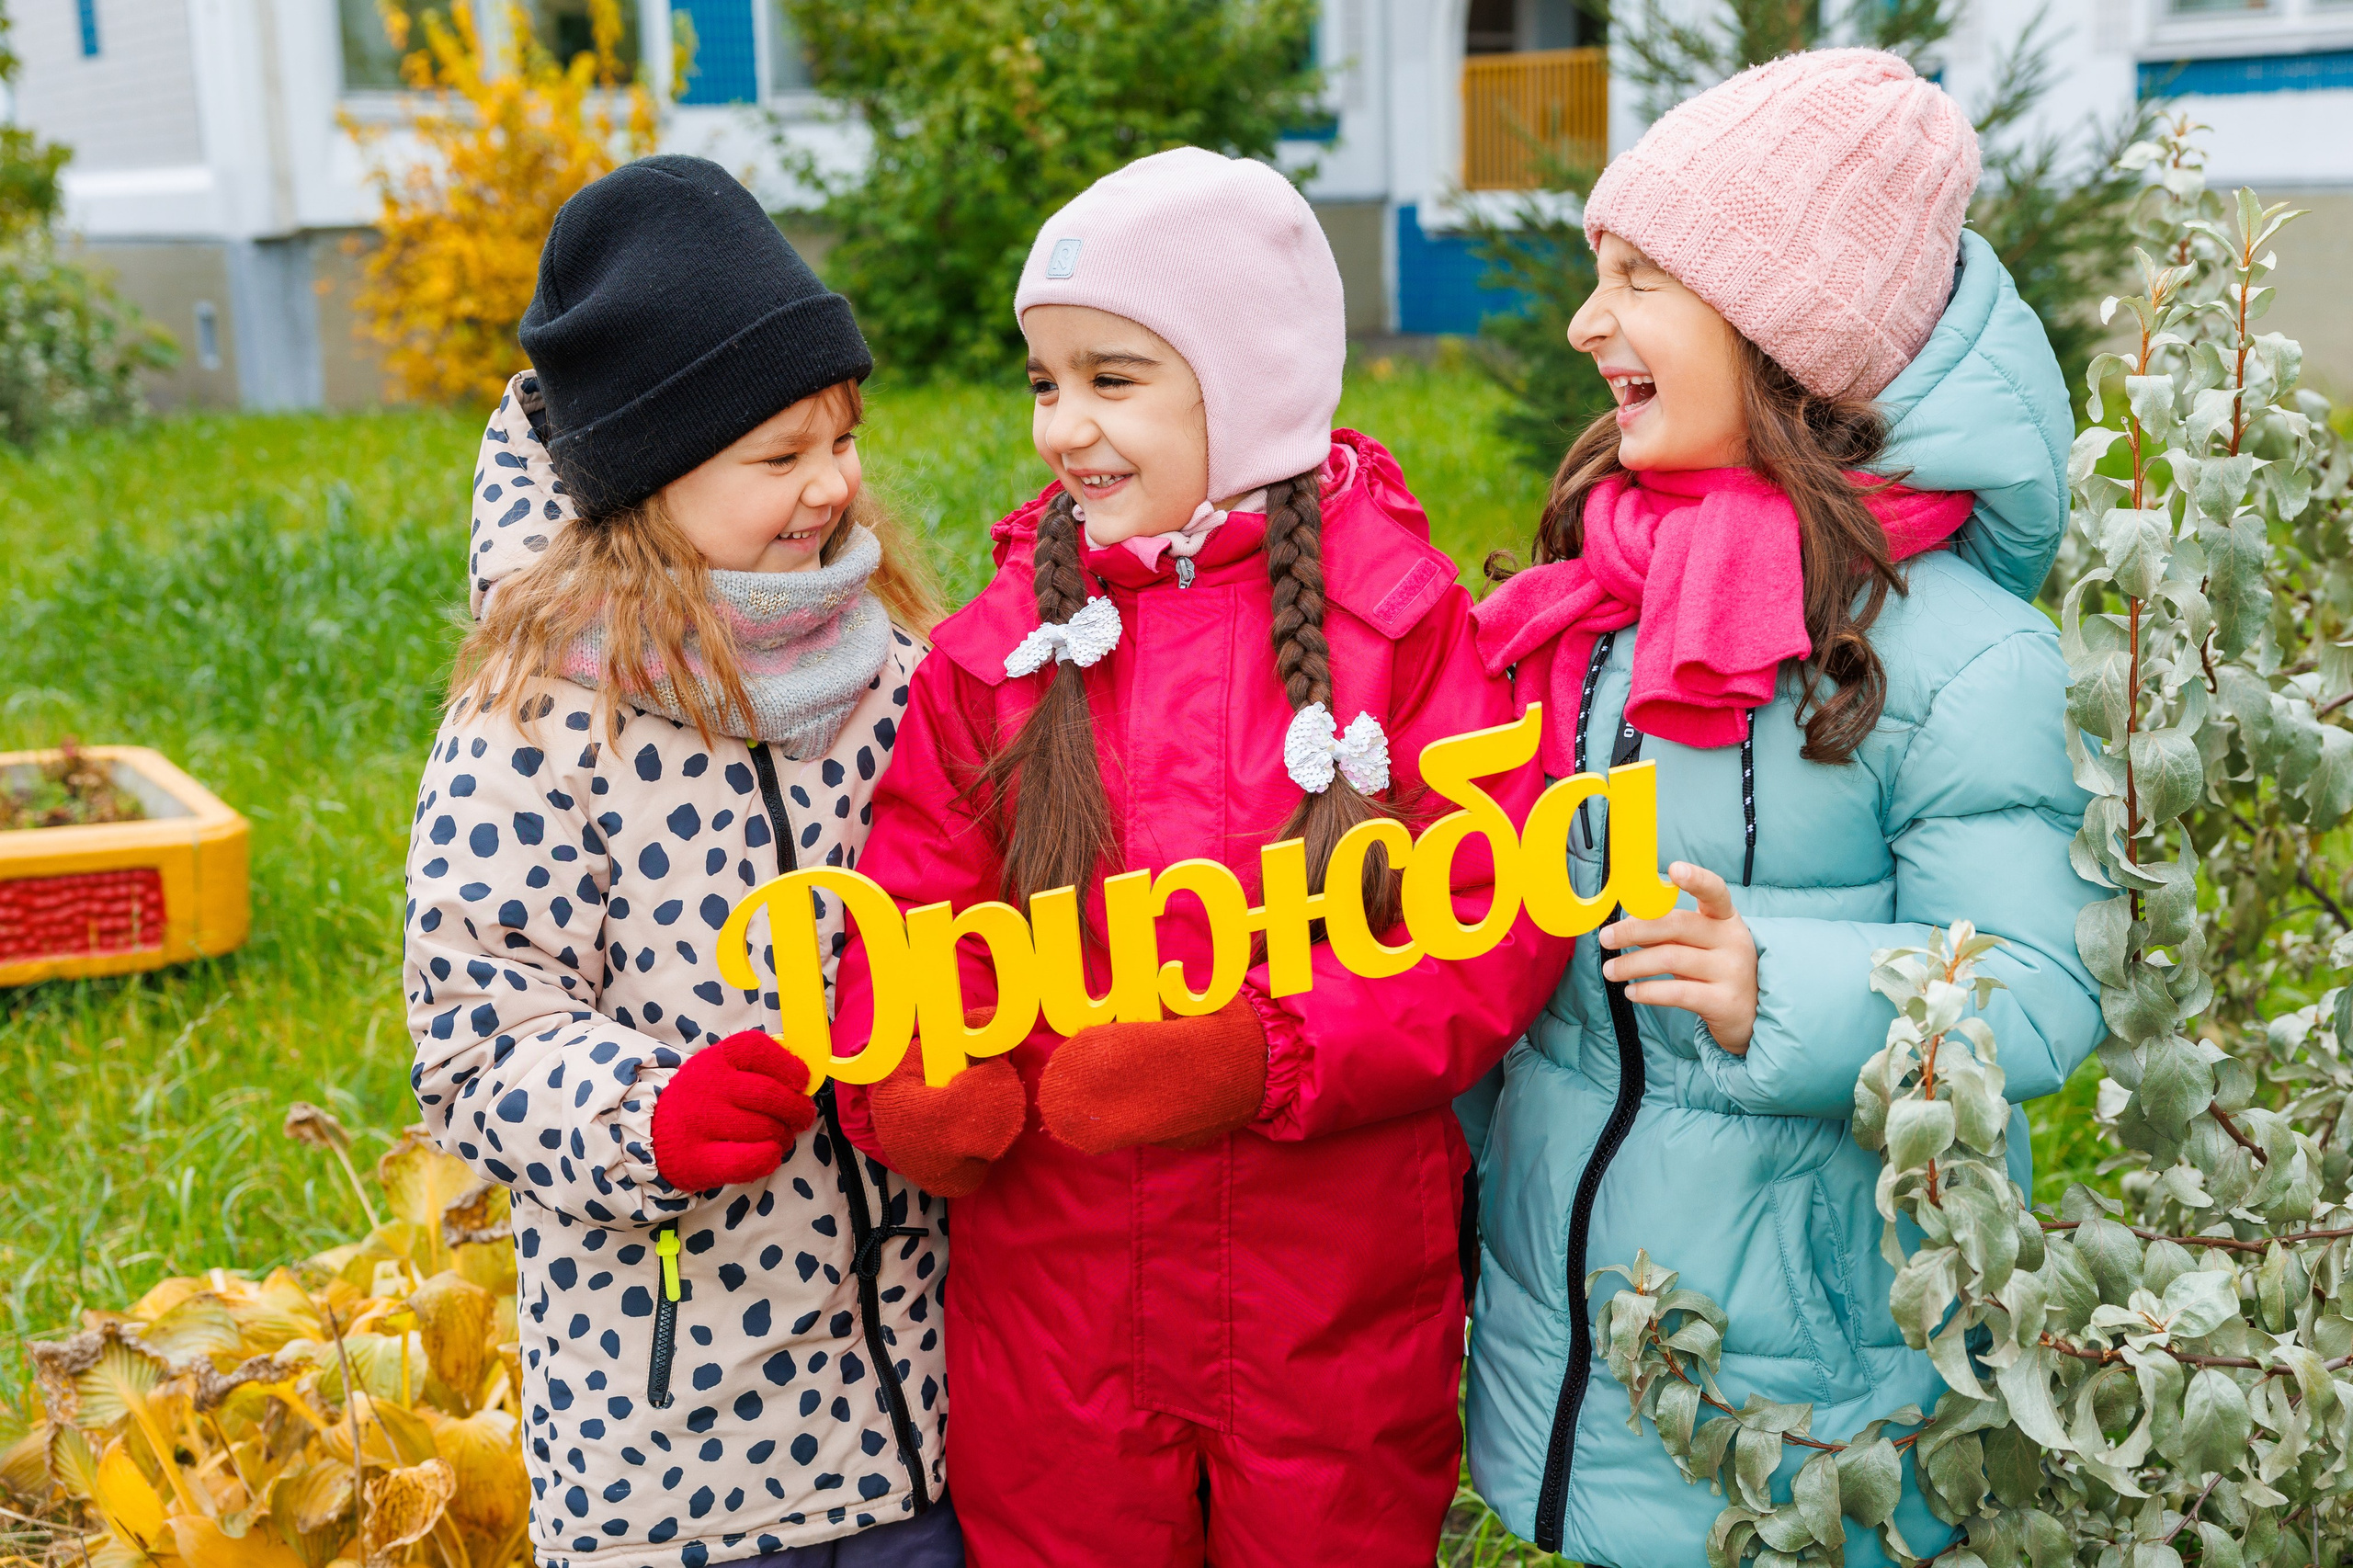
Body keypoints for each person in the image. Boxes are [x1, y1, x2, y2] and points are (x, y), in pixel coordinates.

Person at [824, 147, 1573, 1566]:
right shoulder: (996, 659)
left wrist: (1266, 1052)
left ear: (1251, 386)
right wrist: (904, 1074)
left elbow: (1488, 926)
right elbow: (907, 914)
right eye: (1047, 383)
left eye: (1115, 380)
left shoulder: (1396, 628)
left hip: (1326, 1303)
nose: (1065, 428)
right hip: (1059, 1315)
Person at [1458, 50, 2108, 1566]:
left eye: (1637, 281)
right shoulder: (1602, 602)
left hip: (1816, 1395)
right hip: (1586, 1338)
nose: (1584, 322)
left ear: (1787, 333)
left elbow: (2049, 991)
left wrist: (1794, 987)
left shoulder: (1964, 654)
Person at [403, 155, 961, 1568]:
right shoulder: (536, 719)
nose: (832, 485)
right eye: (778, 457)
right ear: (651, 478)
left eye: (842, 437)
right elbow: (477, 1037)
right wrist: (646, 1112)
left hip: (921, 1417)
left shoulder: (895, 670)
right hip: (676, 1457)